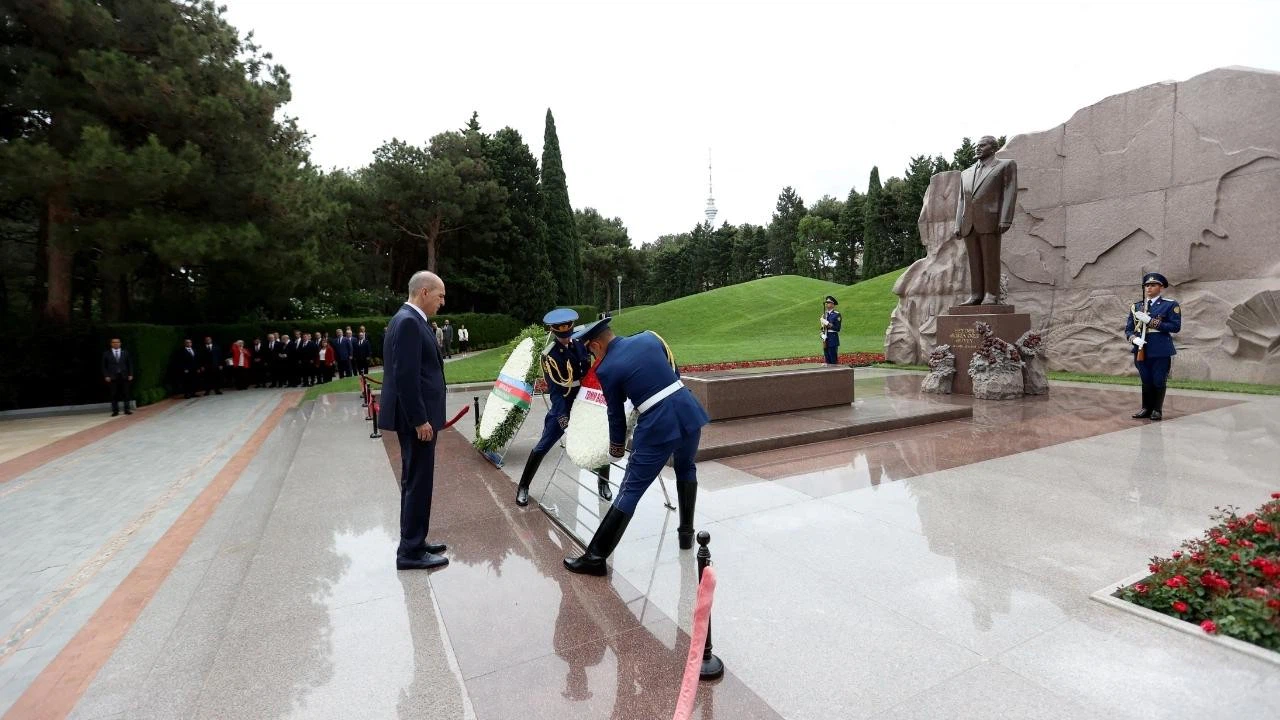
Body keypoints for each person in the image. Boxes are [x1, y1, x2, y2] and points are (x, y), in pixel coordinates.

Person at [563, 318, 709, 576]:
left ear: (596, 345)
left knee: (630, 491)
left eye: (590, 350)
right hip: (688, 409)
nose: (592, 355)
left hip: (657, 425)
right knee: (686, 468)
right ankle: (686, 535)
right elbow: (674, 371)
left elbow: (616, 415)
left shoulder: (606, 369)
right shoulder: (649, 337)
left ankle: (595, 557)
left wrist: (616, 449)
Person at [379, 270, 450, 570]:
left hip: (415, 417)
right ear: (424, 292)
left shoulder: (407, 320)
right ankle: (410, 551)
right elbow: (406, 377)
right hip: (416, 420)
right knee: (418, 482)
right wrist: (420, 419)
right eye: (440, 295)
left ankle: (415, 541)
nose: (442, 302)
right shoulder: (409, 322)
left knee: (415, 481)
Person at [515, 308, 595, 507]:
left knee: (599, 439)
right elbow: (555, 392)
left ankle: (603, 484)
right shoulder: (548, 355)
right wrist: (562, 417)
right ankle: (523, 486)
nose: (566, 339)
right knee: (543, 445)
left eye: (568, 333)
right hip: (564, 404)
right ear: (554, 331)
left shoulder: (580, 345)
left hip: (583, 401)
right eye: (562, 335)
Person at [953, 135, 1018, 305]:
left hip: (990, 219)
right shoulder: (965, 173)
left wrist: (1005, 218)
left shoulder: (1005, 165)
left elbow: (1009, 192)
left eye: (982, 145)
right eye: (977, 145)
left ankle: (991, 294)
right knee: (974, 261)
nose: (978, 148)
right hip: (968, 223)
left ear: (993, 148)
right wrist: (957, 223)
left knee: (990, 259)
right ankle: (976, 295)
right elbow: (962, 199)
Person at [1125, 272, 1181, 421]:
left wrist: (1150, 321)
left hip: (1160, 349)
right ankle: (1146, 408)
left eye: (1153, 285)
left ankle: (1157, 410)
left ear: (1161, 287)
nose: (1149, 288)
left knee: (1158, 380)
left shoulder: (1170, 305)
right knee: (1146, 379)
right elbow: (1129, 329)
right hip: (1141, 349)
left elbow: (1175, 327)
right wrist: (1133, 339)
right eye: (1147, 285)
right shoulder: (1136, 306)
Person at [101, 338, 134, 416]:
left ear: (120, 343)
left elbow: (129, 364)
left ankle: (127, 410)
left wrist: (131, 374)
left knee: (126, 393)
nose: (116, 343)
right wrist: (106, 376)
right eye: (114, 342)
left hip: (124, 376)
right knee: (114, 394)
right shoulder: (106, 353)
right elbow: (104, 366)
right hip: (112, 377)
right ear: (111, 344)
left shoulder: (125, 352)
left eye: (117, 342)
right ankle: (115, 411)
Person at [820, 295, 842, 365]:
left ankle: (835, 375)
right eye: (826, 302)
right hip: (825, 338)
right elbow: (822, 327)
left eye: (828, 302)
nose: (827, 304)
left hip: (832, 338)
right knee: (827, 359)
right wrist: (822, 334)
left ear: (833, 304)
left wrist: (827, 323)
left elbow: (837, 328)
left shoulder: (837, 315)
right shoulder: (825, 314)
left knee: (833, 359)